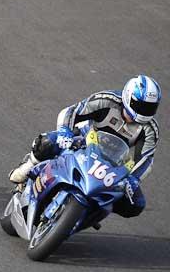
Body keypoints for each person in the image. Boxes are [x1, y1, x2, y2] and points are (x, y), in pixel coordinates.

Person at [9, 75, 161, 218]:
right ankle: (28, 168)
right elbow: (72, 111)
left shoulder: (149, 129)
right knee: (47, 143)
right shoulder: (106, 100)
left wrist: (133, 179)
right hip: (83, 140)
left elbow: (145, 159)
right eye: (140, 105)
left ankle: (93, 211)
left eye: (149, 108)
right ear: (128, 96)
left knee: (135, 204)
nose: (143, 112)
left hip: (113, 162)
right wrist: (64, 131)